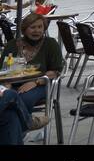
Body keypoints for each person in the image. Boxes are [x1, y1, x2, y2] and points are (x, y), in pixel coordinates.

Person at [0, 13, 63, 145]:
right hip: (13, 83)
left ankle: (21, 130)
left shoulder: (50, 44)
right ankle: (27, 123)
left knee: (23, 98)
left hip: (41, 83)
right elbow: (5, 71)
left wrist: (35, 82)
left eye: (40, 27)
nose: (37, 31)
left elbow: (56, 71)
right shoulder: (13, 45)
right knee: (10, 105)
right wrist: (7, 84)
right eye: (33, 27)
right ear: (25, 29)